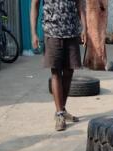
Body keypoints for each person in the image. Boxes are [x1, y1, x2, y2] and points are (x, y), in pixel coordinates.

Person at [30, 0, 87, 131]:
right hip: (52, 32)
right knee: (56, 73)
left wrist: (85, 28)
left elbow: (79, 4)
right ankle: (60, 114)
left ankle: (61, 109)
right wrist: (33, 33)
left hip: (72, 32)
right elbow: (35, 5)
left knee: (69, 72)